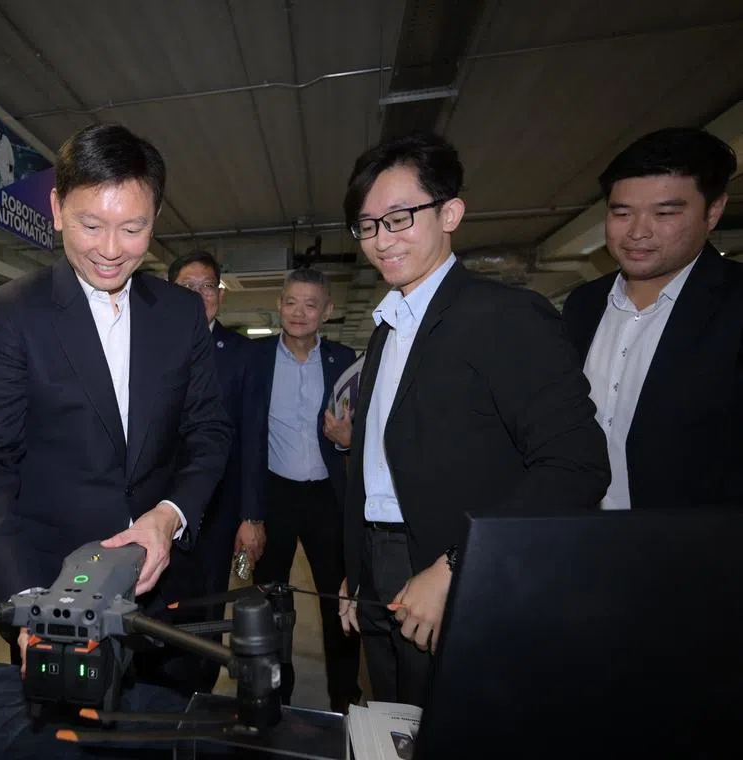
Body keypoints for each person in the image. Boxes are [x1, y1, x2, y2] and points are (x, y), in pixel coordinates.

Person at [333, 131, 609, 706]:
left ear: (451, 212)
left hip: (451, 565)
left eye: (400, 217)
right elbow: (379, 463)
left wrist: (459, 563)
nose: (382, 241)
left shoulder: (504, 316)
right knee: (391, 720)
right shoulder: (388, 326)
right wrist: (357, 567)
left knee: (451, 722)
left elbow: (577, 463)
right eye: (367, 225)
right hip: (380, 564)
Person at [0, 123, 232, 689]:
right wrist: (31, 607)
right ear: (56, 209)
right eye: (90, 224)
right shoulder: (13, 314)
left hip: (166, 587)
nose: (110, 250)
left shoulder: (180, 314)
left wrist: (169, 514)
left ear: (155, 221)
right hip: (55, 589)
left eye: (132, 229)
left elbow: (209, 430)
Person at [562, 127, 743, 511]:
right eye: (621, 212)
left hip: (702, 556)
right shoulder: (583, 306)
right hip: (582, 546)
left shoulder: (735, 305)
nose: (637, 232)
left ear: (713, 212)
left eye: (664, 213)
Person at [251, 266, 360, 712]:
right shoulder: (253, 358)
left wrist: (351, 440)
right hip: (273, 495)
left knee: (339, 602)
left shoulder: (343, 358)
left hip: (326, 499)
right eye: (291, 302)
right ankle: (277, 690)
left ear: (327, 311)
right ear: (279, 304)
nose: (299, 312)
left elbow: (369, 426)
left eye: (311, 304)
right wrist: (249, 513)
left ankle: (344, 695)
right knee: (271, 603)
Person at [168, 250, 266, 693]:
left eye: (206, 285)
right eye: (187, 286)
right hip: (157, 505)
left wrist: (251, 516)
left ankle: (198, 693)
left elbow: (252, 438)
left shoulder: (243, 355)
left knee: (207, 606)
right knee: (159, 601)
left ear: (219, 296)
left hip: (217, 509)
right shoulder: (148, 346)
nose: (198, 294)